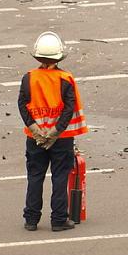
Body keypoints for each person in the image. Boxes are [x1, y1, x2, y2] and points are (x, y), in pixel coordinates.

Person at [18, 31, 87, 232]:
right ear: (59, 57)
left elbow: (22, 104)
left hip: (34, 138)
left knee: (35, 176)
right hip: (62, 138)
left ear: (38, 56)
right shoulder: (66, 78)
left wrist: (36, 130)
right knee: (59, 176)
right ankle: (58, 220)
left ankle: (31, 220)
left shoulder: (29, 78)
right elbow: (69, 108)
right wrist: (55, 132)